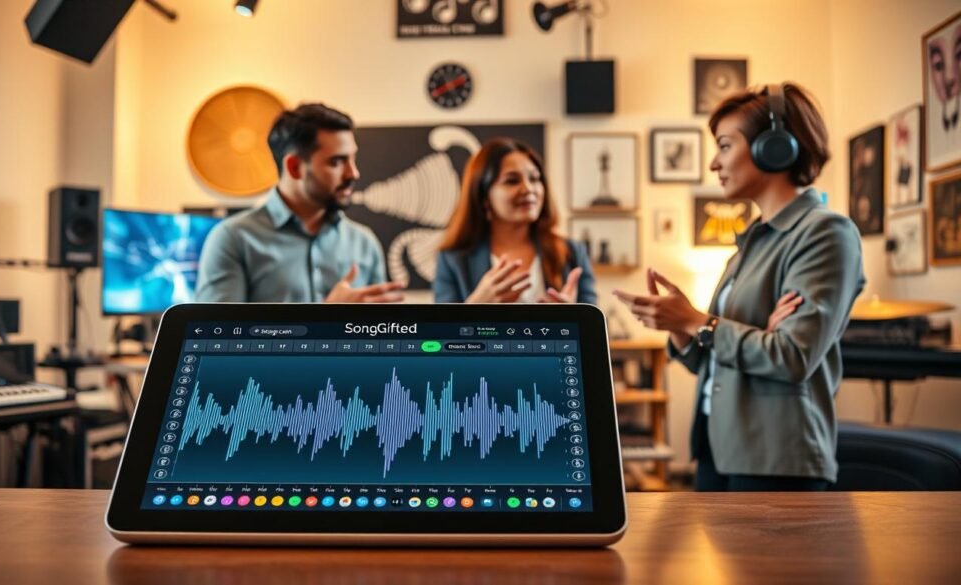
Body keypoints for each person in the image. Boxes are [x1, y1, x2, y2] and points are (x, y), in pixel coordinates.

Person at [613, 83, 865, 491]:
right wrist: (679, 324)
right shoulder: (750, 244)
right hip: (719, 446)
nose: (714, 163)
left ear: (775, 147)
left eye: (725, 146)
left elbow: (791, 356)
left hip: (776, 458)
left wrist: (701, 322)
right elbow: (711, 361)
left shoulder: (825, 233)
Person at [195, 103, 404, 303]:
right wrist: (329, 318)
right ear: (294, 167)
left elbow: (382, 336)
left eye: (352, 159)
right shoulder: (233, 240)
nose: (353, 173)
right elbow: (214, 338)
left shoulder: (364, 243)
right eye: (336, 162)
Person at [433, 138, 596, 304]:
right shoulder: (453, 258)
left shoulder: (572, 253)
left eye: (534, 179)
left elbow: (595, 326)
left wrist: (575, 317)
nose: (528, 189)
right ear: (484, 197)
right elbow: (441, 329)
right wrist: (475, 305)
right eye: (512, 181)